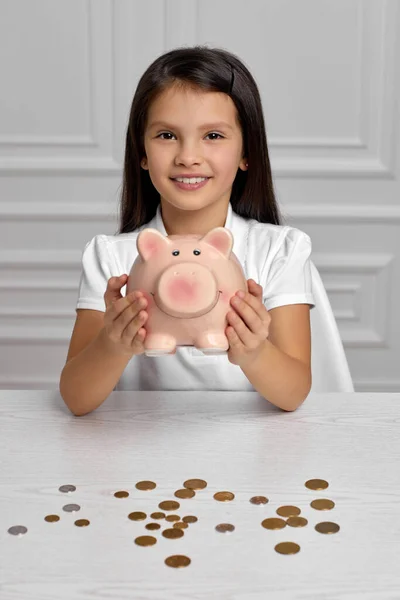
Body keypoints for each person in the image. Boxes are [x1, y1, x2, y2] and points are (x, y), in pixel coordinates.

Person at [59, 46, 315, 417]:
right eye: (166, 135)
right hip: (141, 450)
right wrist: (112, 344)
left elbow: (293, 394)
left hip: (252, 454)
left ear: (248, 152)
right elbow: (76, 399)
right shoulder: (111, 257)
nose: (188, 156)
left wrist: (255, 352)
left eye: (213, 136)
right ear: (141, 153)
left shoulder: (279, 251)